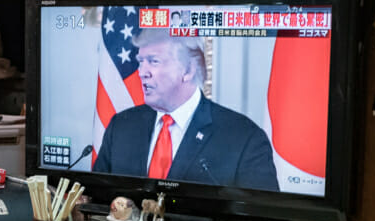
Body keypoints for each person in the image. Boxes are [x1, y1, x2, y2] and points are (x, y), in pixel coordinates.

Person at [93, 29, 279, 191]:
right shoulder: (122, 126)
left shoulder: (244, 138)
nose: (142, 72)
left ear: (188, 70)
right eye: (141, 61)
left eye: (153, 61)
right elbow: (97, 196)